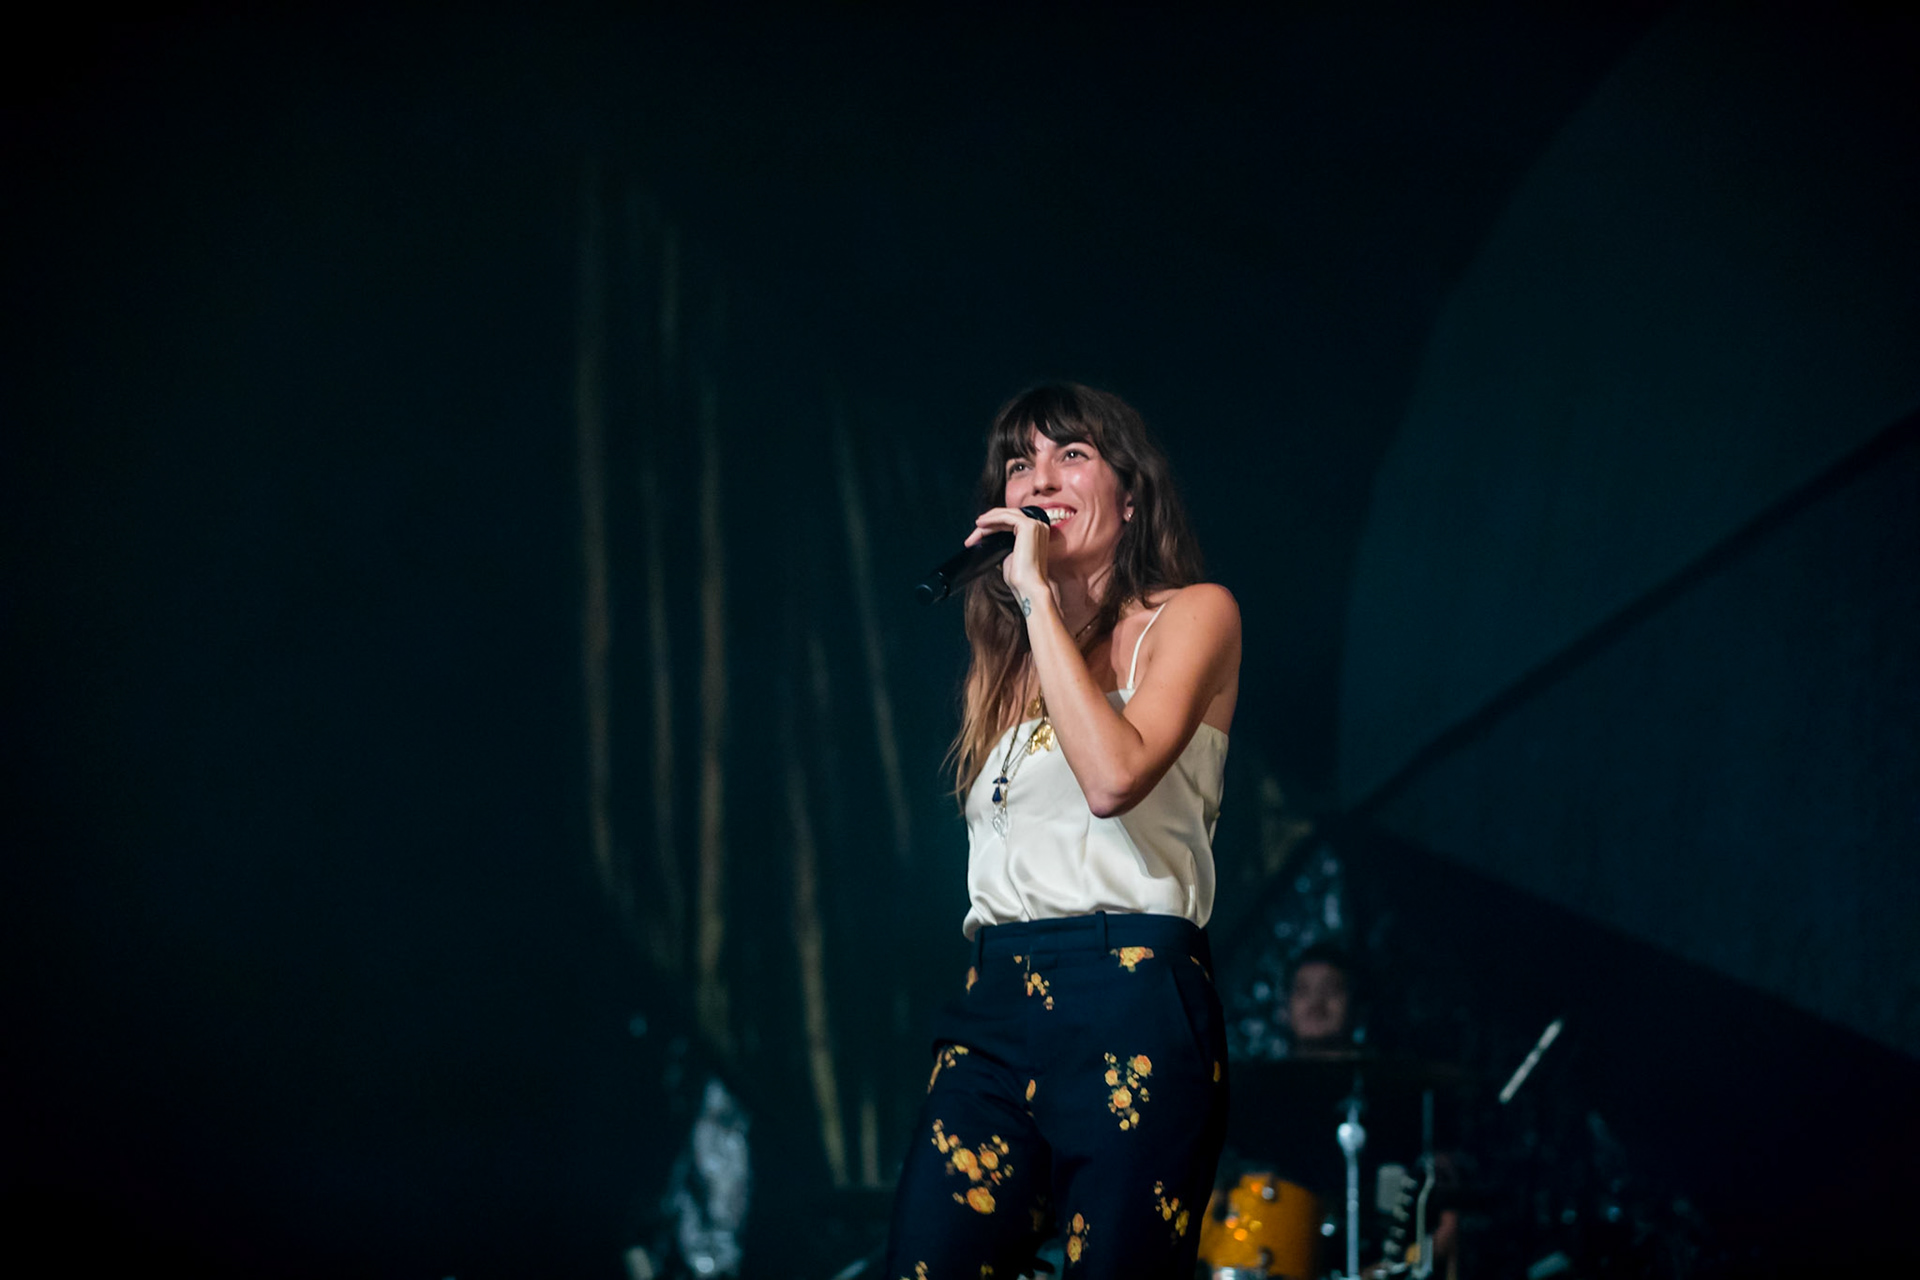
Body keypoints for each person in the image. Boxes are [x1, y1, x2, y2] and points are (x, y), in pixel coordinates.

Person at [883, 384, 1241, 1280]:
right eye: (1019, 462)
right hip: (998, 995)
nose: (1038, 478)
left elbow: (1115, 777)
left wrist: (1038, 596)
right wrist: (1033, 616)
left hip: (1129, 985)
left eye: (1070, 454)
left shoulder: (1193, 615)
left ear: (1130, 495)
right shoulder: (1006, 666)